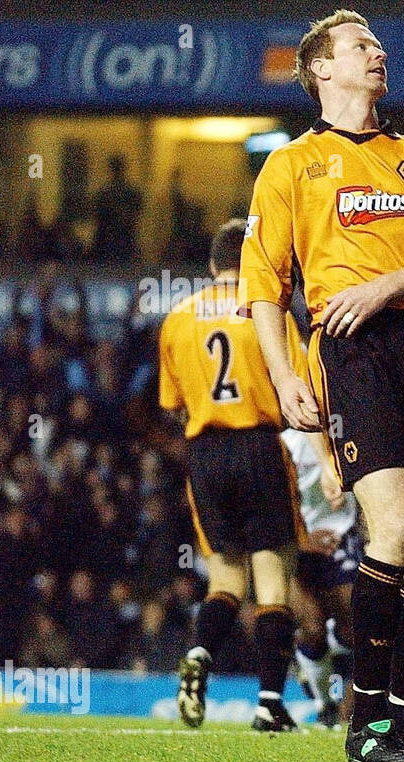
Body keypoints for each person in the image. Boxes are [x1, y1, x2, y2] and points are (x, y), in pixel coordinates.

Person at [242, 10, 404, 762]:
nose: (378, 54)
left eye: (378, 45)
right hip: (354, 352)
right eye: (360, 47)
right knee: (396, 522)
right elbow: (264, 286)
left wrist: (384, 286)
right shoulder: (292, 166)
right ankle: (366, 722)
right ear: (320, 69)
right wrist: (284, 377)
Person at [159, 219, 306, 732]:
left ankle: (200, 651)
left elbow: (171, 403)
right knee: (272, 578)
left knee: (224, 578)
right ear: (250, 262)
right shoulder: (267, 313)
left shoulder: (177, 318)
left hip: (204, 452)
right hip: (258, 445)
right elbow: (301, 382)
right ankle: (269, 704)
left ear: (211, 264)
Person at [281, 426, 359, 727]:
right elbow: (269, 504)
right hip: (296, 542)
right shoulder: (284, 443)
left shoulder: (351, 431)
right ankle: (325, 704)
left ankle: (329, 649)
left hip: (343, 537)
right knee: (311, 628)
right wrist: (302, 538)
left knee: (355, 629)